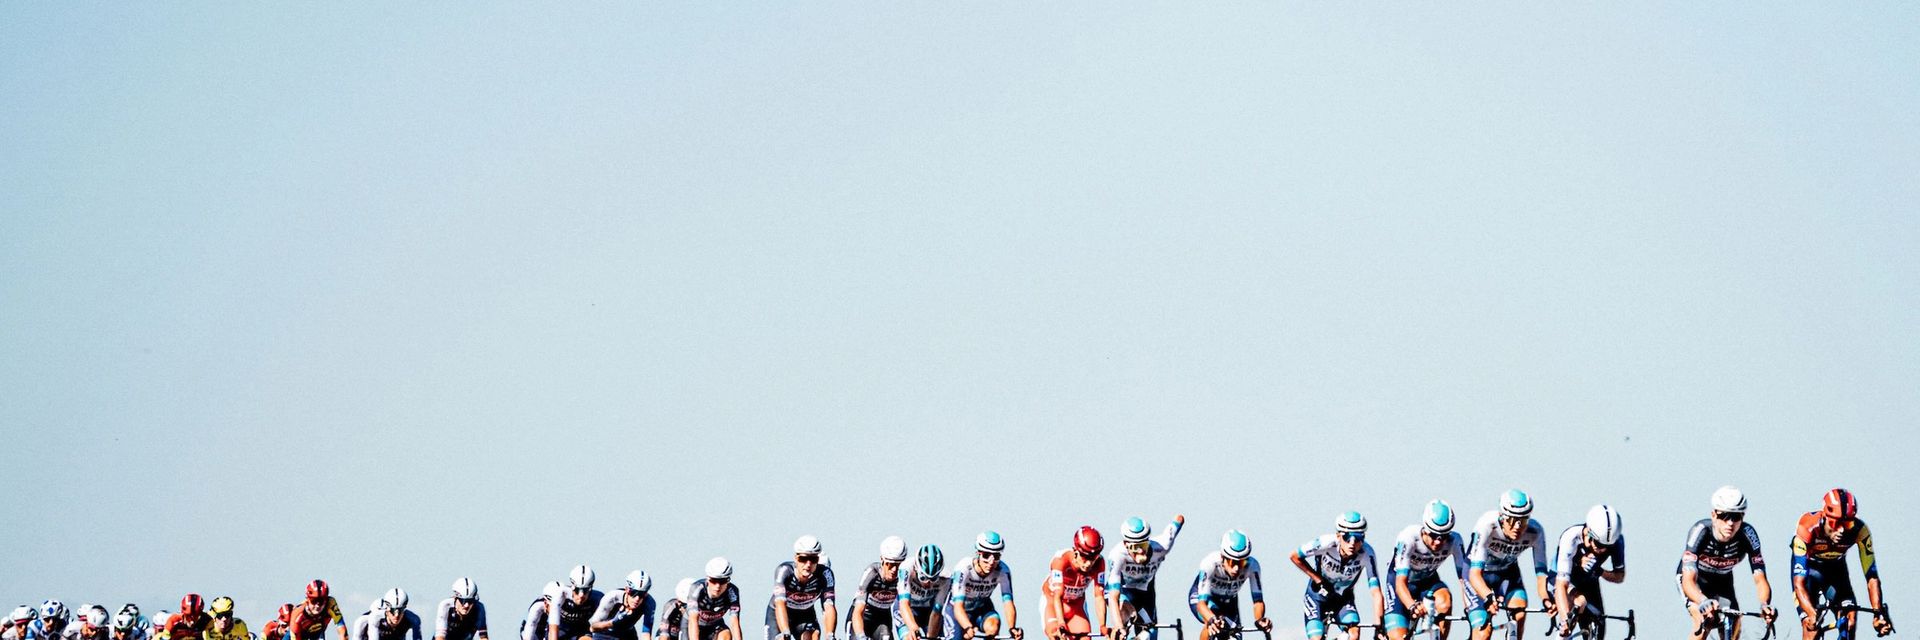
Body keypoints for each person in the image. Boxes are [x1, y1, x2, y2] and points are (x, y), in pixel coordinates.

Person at [1678, 485, 1777, 640]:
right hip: (1696, 581)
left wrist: (1765, 604)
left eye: (1736, 517)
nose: (1730, 523)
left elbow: (1760, 579)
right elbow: (1688, 580)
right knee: (1704, 621)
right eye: (1724, 516)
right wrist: (1702, 601)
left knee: (1734, 623)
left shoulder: (1748, 535)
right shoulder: (1700, 531)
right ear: (1713, 515)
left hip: (1722, 581)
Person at [1792, 488, 1891, 638]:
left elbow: (1872, 577)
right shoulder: (1807, 527)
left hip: (1835, 571)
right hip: (1809, 572)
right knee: (1811, 628)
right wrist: (1811, 614)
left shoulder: (1860, 531)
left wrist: (1878, 613)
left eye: (1847, 524)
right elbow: (1799, 583)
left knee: (1850, 620)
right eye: (1835, 523)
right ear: (1825, 517)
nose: (1842, 530)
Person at [1465, 490, 1551, 640]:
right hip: (1479, 576)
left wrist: (1546, 599)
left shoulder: (1536, 531)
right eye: (1512, 520)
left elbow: (1541, 574)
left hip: (1507, 574)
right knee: (1483, 632)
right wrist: (1488, 597)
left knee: (1519, 614)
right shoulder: (1487, 525)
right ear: (1502, 517)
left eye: (1523, 520)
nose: (1518, 526)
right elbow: (1474, 575)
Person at [1291, 512, 1383, 640]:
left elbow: (1376, 593)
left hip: (1342, 600)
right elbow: (1294, 556)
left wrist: (1380, 627)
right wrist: (1318, 579)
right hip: (1317, 597)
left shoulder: (1367, 553)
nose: (1352, 543)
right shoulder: (1325, 543)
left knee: (1354, 634)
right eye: (1347, 537)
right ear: (1338, 536)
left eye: (1358, 538)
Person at [1384, 501, 1468, 640]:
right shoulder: (1409, 538)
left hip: (1427, 582)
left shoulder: (1455, 540)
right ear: (1425, 529)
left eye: (1444, 536)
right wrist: (1412, 606)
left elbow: (1465, 579)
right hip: (1400, 584)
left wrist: (1470, 607)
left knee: (1444, 602)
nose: (1438, 542)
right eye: (1434, 536)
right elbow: (1400, 583)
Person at [1104, 515, 1185, 640]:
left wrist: (1177, 519)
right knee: (1124, 615)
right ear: (1126, 544)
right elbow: (1113, 597)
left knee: (1149, 635)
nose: (1141, 552)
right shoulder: (1117, 555)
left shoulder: (1162, 546)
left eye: (1144, 546)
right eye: (1135, 548)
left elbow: (1179, 520)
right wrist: (1119, 627)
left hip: (1145, 593)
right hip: (1123, 591)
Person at [1551, 505, 1625, 637]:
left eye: (1608, 547)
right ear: (1589, 532)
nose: (1603, 550)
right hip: (1561, 579)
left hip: (1589, 581)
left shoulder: (1616, 541)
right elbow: (1561, 585)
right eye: (1599, 545)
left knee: (1598, 626)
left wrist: (1600, 572)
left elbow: (1619, 576)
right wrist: (1565, 621)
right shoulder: (1571, 538)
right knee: (1577, 605)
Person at [1187, 530, 1270, 640]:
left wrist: (1259, 620)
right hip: (1203, 598)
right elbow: (1202, 604)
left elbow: (1258, 601)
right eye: (1233, 562)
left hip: (1229, 601)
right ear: (1223, 557)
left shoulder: (1253, 566)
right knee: (1215, 624)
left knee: (1235, 636)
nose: (1237, 568)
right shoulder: (1209, 563)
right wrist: (1211, 619)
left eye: (1241, 562)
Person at [948, 532, 1020, 640]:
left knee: (993, 627)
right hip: (957, 609)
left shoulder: (1003, 570)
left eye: (996, 556)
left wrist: (1012, 627)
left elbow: (1008, 603)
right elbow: (958, 607)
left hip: (982, 607)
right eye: (986, 555)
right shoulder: (964, 568)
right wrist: (968, 627)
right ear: (978, 554)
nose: (991, 562)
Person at [1041, 527, 1108, 640]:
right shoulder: (1061, 560)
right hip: (1053, 603)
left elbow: (1098, 596)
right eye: (1085, 557)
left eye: (1093, 558)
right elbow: (1058, 596)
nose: (1088, 564)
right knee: (1056, 636)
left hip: (1076, 606)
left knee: (1086, 638)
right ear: (1076, 551)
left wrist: (1102, 626)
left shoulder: (1100, 563)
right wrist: (1061, 624)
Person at [769, 536, 836, 640]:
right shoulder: (784, 571)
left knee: (813, 636)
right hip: (781, 611)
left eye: (813, 560)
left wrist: (830, 635)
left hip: (805, 613)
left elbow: (829, 607)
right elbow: (780, 604)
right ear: (796, 559)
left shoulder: (825, 574)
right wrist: (785, 632)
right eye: (803, 559)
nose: (808, 564)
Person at [849, 537, 908, 640]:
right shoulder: (872, 573)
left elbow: (906, 606)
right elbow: (858, 611)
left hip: (882, 619)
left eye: (899, 565)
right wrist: (861, 636)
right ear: (882, 560)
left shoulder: (904, 576)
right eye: (890, 564)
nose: (894, 570)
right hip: (863, 616)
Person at [895, 545, 950, 640]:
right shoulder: (906, 569)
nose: (928, 584)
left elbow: (936, 612)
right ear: (916, 568)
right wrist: (912, 627)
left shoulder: (945, 578)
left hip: (927, 611)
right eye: (923, 578)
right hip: (907, 608)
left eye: (933, 579)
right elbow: (904, 604)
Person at [590, 571, 656, 640]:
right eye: (634, 593)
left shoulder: (649, 603)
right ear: (627, 590)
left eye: (641, 594)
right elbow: (593, 628)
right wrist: (612, 623)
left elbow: (646, 634)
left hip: (627, 633)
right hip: (604, 634)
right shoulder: (612, 597)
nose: (637, 599)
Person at [688, 558, 744, 640]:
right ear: (708, 579)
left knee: (726, 636)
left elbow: (734, 622)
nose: (718, 586)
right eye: (714, 581)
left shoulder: (732, 592)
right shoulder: (697, 588)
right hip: (694, 625)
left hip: (715, 626)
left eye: (722, 581)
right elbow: (693, 619)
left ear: (728, 580)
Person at [552, 566, 605, 640]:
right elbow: (553, 628)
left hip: (581, 629)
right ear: (572, 587)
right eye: (577, 590)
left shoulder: (598, 598)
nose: (581, 595)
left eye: (585, 590)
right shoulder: (561, 594)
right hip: (560, 628)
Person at [355, 590, 422, 640]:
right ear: (386, 610)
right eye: (392, 611)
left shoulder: (414, 620)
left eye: (400, 610)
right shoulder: (374, 618)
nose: (396, 615)